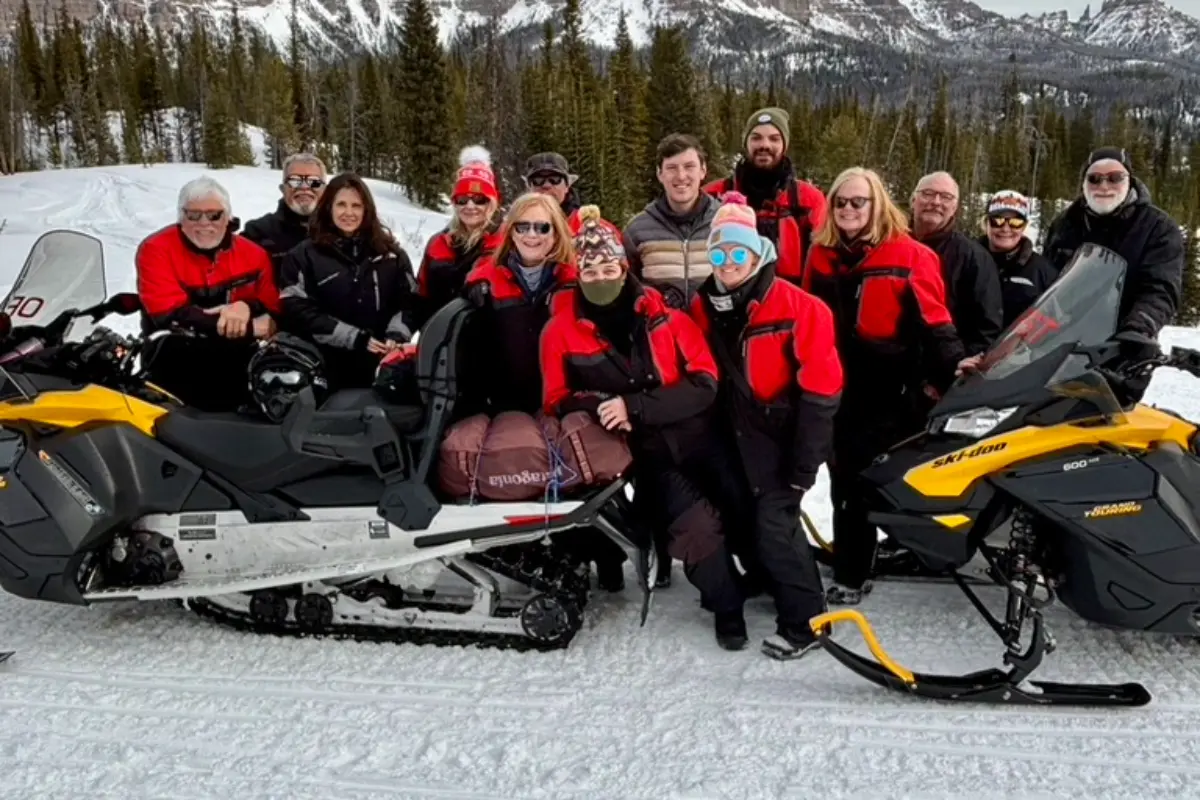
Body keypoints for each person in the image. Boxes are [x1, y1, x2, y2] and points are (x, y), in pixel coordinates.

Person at [540, 205, 744, 646]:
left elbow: (705, 381)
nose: (599, 275)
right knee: (696, 525)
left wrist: (634, 405)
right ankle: (728, 607)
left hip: (700, 437)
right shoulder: (560, 330)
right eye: (588, 268)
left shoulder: (666, 317)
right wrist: (600, 405)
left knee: (744, 507)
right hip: (639, 455)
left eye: (607, 265)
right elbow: (555, 398)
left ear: (623, 264)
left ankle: (766, 583)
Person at [802, 167, 965, 605]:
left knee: (871, 480)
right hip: (835, 385)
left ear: (878, 205)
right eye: (841, 202)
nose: (849, 210)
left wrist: (954, 367)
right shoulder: (820, 254)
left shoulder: (910, 256)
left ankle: (868, 566)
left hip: (890, 389)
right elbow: (805, 319)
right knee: (841, 480)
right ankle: (854, 562)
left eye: (859, 202)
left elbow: (936, 323)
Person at [690, 193, 842, 659]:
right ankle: (764, 579)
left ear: (759, 254)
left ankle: (806, 621)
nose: (729, 262)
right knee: (739, 516)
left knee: (777, 525)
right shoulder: (704, 305)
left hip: (784, 435)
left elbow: (822, 391)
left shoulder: (801, 308)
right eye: (719, 252)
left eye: (739, 252)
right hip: (732, 434)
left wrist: (805, 460)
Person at [1041, 147, 1184, 400]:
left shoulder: (1157, 228)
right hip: (1062, 346)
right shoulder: (1065, 224)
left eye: (1115, 177)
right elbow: (1047, 283)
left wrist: (1139, 328)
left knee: (1105, 418)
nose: (1104, 185)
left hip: (1122, 347)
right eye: (1094, 178)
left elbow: (1160, 287)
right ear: (1084, 183)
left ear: (1129, 180)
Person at [135, 176, 280, 412]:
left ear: (228, 218)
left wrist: (245, 307)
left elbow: (272, 306)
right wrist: (250, 326)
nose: (204, 223)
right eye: (194, 215)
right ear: (181, 218)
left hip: (236, 361)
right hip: (173, 360)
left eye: (214, 215)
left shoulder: (253, 255)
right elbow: (167, 314)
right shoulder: (156, 250)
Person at [277, 172, 419, 391]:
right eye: (341, 204)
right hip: (323, 367)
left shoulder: (392, 255)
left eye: (356, 206)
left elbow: (410, 302)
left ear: (367, 210)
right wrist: (354, 338)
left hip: (381, 366)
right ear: (328, 207)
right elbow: (296, 308)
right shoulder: (303, 255)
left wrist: (396, 335)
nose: (349, 213)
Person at [462, 192, 579, 415]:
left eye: (542, 227)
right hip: (503, 406)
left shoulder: (575, 283)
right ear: (511, 233)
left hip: (564, 403)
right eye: (522, 227)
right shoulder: (486, 282)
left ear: (556, 233)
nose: (531, 235)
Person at [702, 107, 826, 286]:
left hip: (790, 302)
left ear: (785, 145)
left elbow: (824, 260)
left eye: (774, 138)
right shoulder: (715, 195)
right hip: (728, 301)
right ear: (746, 144)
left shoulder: (808, 199)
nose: (764, 145)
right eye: (756, 138)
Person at [910, 172, 1003, 357]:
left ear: (955, 208)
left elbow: (986, 330)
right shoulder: (890, 245)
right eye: (927, 193)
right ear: (913, 200)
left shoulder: (974, 258)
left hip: (942, 372)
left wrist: (954, 375)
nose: (936, 202)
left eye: (946, 197)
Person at [623, 133, 720, 311]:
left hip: (715, 334)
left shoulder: (726, 222)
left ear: (703, 171)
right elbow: (626, 290)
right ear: (659, 174)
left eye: (689, 166)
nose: (681, 176)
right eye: (671, 168)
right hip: (660, 332)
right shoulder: (637, 230)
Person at [415, 146, 503, 328]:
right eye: (462, 199)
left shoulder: (508, 242)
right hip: (440, 342)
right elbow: (419, 298)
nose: (470, 206)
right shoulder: (437, 244)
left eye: (479, 199)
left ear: (492, 202)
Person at [977, 190, 1057, 328]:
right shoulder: (968, 260)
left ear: (1024, 226)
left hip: (1020, 346)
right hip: (970, 346)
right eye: (998, 220)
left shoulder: (1042, 271)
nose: (1006, 228)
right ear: (986, 223)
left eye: (1015, 222)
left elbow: (1057, 317)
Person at [242, 153, 327, 280]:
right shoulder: (258, 233)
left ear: (325, 189)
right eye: (294, 181)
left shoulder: (340, 230)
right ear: (283, 189)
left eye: (313, 182)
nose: (304, 187)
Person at [523, 152, 621, 236]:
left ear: (567, 186)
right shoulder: (515, 229)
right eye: (538, 180)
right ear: (529, 188)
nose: (546, 185)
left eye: (555, 179)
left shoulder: (596, 228)